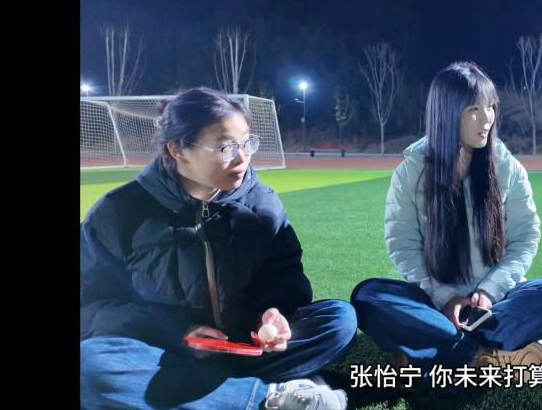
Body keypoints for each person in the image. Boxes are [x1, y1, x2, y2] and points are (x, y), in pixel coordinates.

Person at [81, 87, 356, 409]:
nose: (242, 158)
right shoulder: (119, 213)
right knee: (91, 366)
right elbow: (91, 306)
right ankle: (271, 396)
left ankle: (217, 393)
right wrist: (179, 333)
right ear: (178, 150)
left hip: (248, 346)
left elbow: (284, 277)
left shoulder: (262, 203)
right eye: (226, 147)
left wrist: (271, 315)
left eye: (247, 143)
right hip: (166, 353)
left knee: (339, 320)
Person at [351, 61, 542, 377]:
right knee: (368, 297)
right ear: (447, 114)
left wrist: (488, 292)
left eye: (491, 107)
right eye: (474, 109)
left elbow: (525, 239)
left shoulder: (507, 168)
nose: (487, 119)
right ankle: (480, 354)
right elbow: (402, 245)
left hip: (495, 303)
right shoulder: (411, 172)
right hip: (434, 301)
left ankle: (437, 350)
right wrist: (446, 297)